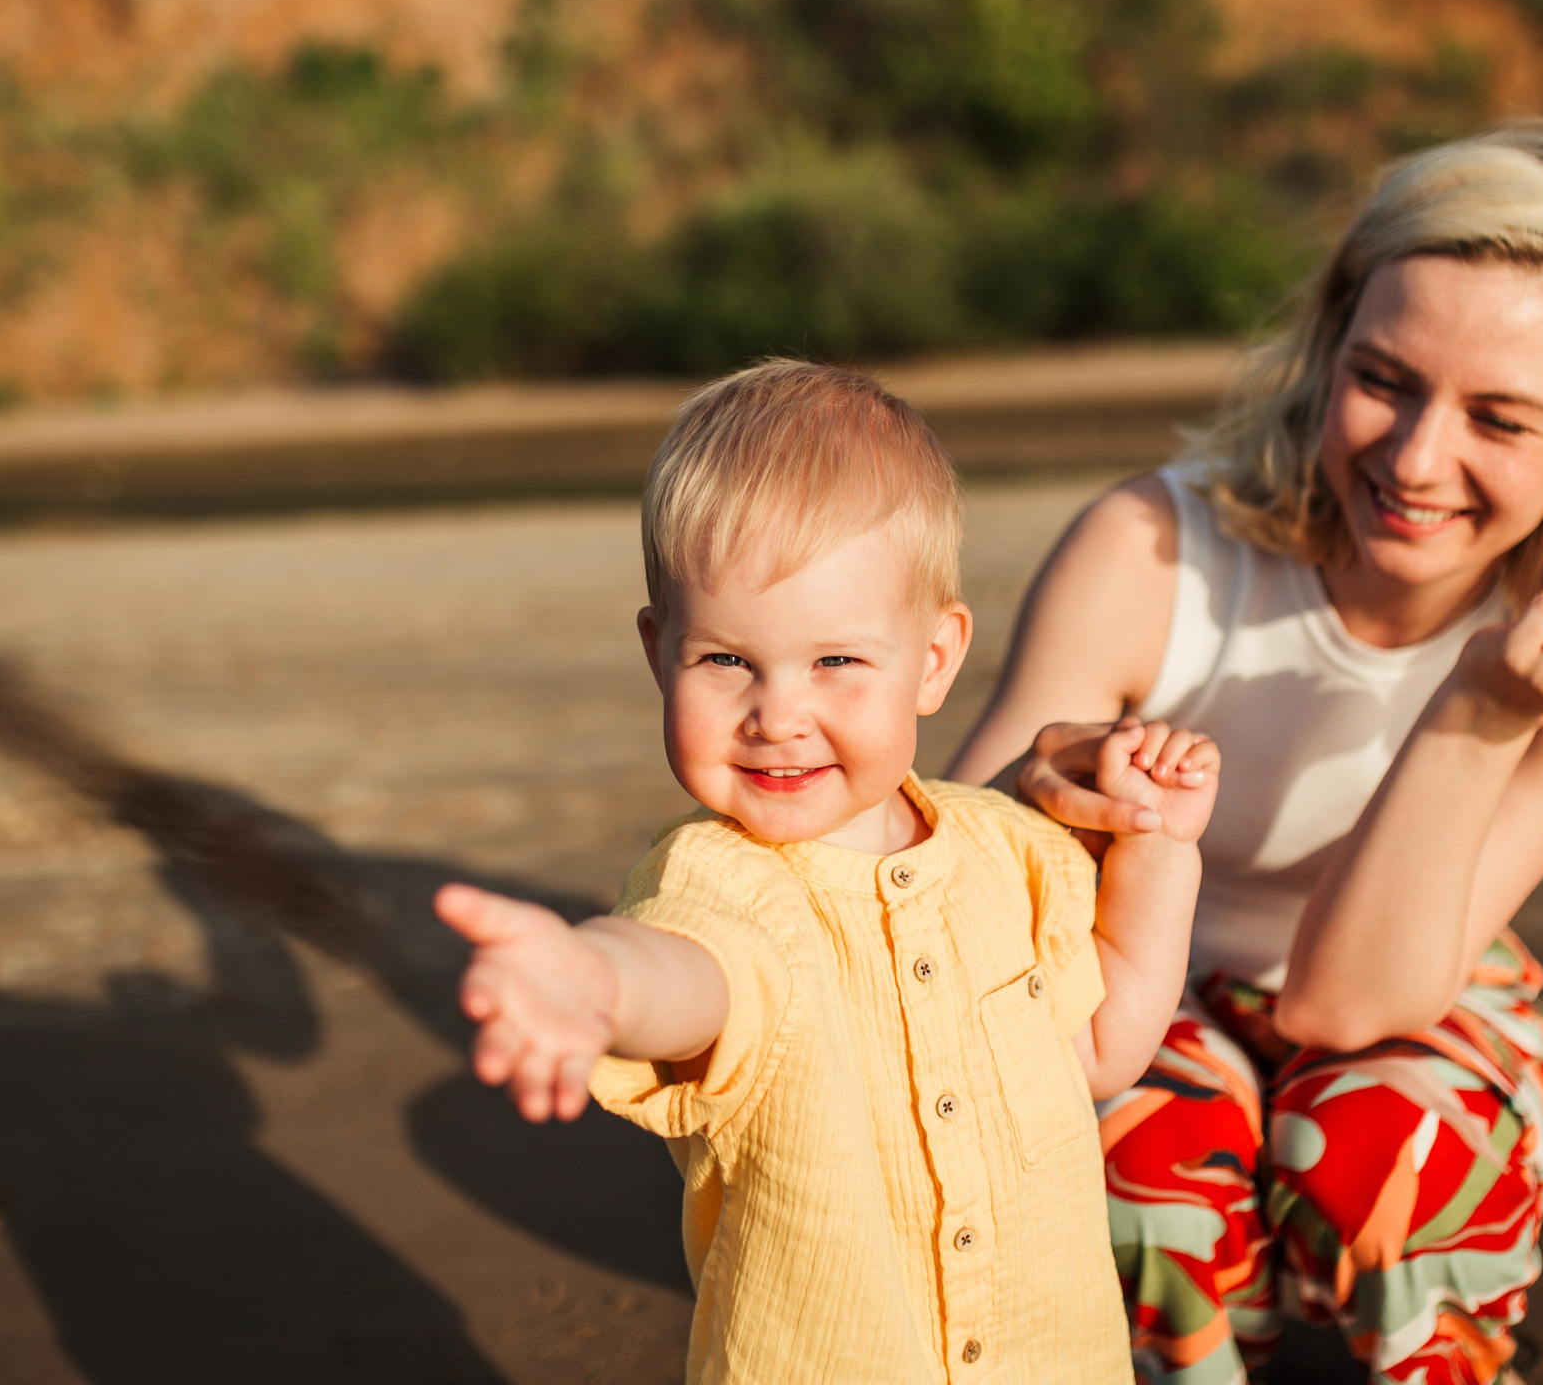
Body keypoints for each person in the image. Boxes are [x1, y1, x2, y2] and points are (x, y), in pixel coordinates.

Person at [946, 123, 1543, 1385]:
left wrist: (1476, 711)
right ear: (1328, 346)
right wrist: (1036, 795)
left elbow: (1344, 1007)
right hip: (1144, 987)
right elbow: (949, 886)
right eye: (1386, 379)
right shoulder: (1153, 545)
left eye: (1500, 419)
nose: (1416, 460)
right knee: (1125, 1145)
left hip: (1419, 993)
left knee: (1393, 1139)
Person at [433, 361, 1222, 1385]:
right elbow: (694, 975)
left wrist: (1159, 844)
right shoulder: (720, 879)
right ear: (658, 651)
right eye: (725, 661)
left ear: (933, 660)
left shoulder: (1003, 850)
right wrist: (598, 980)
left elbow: (1104, 1046)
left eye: (835, 663)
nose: (777, 714)